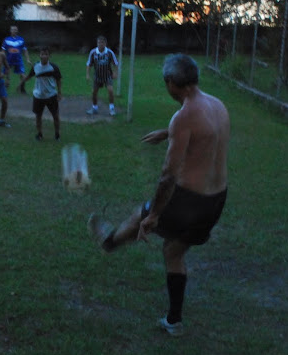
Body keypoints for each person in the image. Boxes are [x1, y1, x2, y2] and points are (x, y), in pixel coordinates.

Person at [87, 54, 230, 337]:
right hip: (216, 200)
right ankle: (174, 321)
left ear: (171, 83)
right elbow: (207, 133)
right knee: (174, 251)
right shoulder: (216, 105)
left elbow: (168, 175)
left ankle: (109, 242)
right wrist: (168, 133)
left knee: (141, 214)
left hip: (189, 200)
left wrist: (153, 216)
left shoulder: (184, 116)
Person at [18, 47, 62, 141]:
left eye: (46, 54)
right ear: (40, 55)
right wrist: (21, 84)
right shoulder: (36, 66)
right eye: (42, 54)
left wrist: (59, 93)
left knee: (55, 115)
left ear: (49, 56)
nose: (44, 56)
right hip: (38, 96)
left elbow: (58, 80)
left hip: (51, 95)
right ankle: (39, 134)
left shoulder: (54, 67)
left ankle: (57, 134)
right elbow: (29, 76)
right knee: (38, 116)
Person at [85, 36, 118, 116]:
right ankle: (94, 108)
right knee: (94, 92)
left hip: (107, 75)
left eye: (102, 43)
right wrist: (88, 74)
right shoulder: (93, 52)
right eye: (99, 43)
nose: (100, 44)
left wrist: (115, 73)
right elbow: (89, 64)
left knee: (110, 90)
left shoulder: (109, 53)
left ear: (105, 44)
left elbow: (116, 64)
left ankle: (111, 108)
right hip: (97, 76)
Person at [2, 25, 32, 93]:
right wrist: (2, 59)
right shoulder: (6, 39)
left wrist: (28, 59)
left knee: (23, 75)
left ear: (17, 31)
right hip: (8, 60)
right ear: (10, 31)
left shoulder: (21, 39)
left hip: (18, 60)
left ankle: (21, 88)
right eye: (12, 29)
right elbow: (3, 50)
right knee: (3, 74)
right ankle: (3, 87)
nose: (14, 31)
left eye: (15, 29)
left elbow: (25, 50)